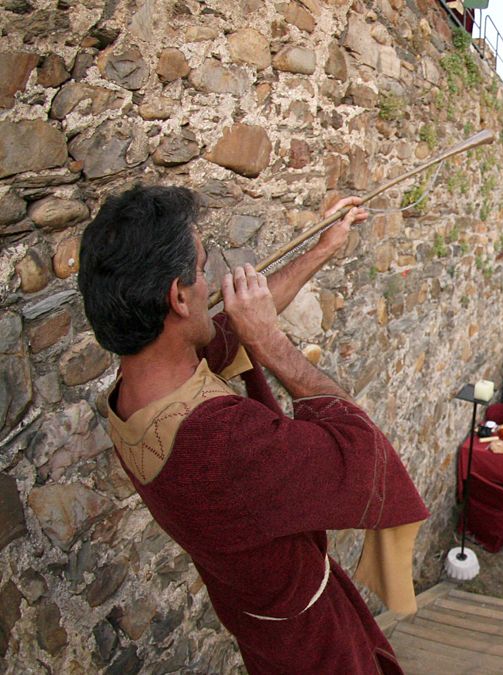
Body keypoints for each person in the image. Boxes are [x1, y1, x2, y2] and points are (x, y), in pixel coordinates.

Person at [78, 187, 427, 673]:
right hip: (311, 646)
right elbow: (362, 455)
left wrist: (323, 248)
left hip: (262, 621)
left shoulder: (135, 386)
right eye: (202, 270)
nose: (211, 283)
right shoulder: (217, 440)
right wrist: (271, 341)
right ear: (178, 297)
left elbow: (231, 325)